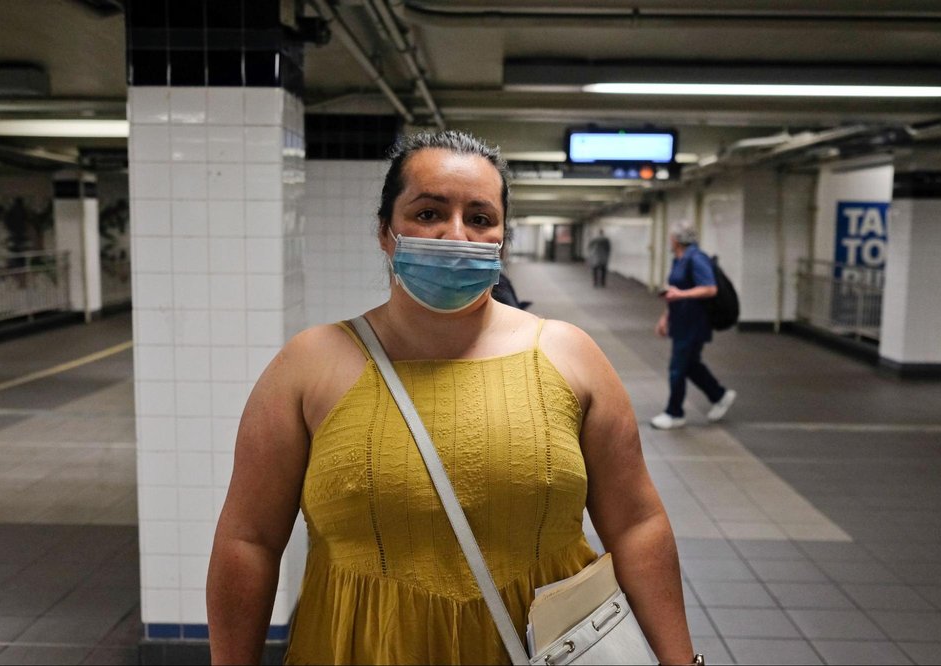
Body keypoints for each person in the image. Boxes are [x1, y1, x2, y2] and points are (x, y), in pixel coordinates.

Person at [207, 131, 696, 665]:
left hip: (542, 648)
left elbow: (636, 525)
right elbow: (248, 541)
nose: (454, 234)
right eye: (428, 213)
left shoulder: (568, 357)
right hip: (359, 647)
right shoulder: (308, 366)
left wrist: (681, 662)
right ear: (385, 232)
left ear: (501, 238)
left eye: (480, 218)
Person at [651, 224, 736, 430]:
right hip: (681, 321)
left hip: (695, 323)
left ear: (677, 239)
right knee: (690, 365)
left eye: (672, 236)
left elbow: (710, 288)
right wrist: (666, 317)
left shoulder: (697, 258)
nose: (670, 239)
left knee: (677, 367)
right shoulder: (679, 259)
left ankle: (675, 413)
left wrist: (681, 295)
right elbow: (675, 291)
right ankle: (719, 395)